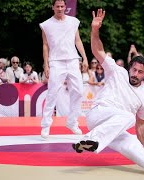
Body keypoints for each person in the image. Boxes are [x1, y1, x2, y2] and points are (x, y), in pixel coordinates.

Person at [72, 9, 144, 176]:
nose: (134, 74)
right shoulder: (117, 71)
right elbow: (98, 51)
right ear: (129, 68)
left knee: (131, 144)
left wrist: (143, 147)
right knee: (128, 117)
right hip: (98, 115)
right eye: (133, 69)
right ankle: (89, 139)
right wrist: (95, 30)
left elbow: (141, 124)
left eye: (139, 72)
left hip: (113, 127)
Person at [39, 0, 88, 138]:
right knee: (52, 92)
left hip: (73, 60)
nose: (60, 8)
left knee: (79, 90)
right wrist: (46, 64)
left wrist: (84, 58)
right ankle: (46, 125)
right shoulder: (46, 25)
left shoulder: (73, 21)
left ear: (65, 7)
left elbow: (78, 40)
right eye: (57, 6)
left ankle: (72, 122)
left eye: (62, 6)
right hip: (55, 61)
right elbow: (45, 45)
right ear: (53, 7)